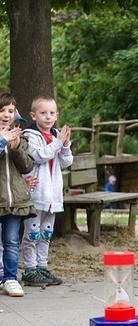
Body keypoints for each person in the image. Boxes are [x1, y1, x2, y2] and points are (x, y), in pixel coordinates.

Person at [20, 95, 73, 287]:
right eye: (43, 113)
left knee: (46, 233)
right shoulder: (30, 136)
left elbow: (66, 162)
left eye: (52, 113)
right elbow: (39, 156)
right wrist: (58, 144)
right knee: (32, 233)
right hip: (36, 195)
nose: (48, 117)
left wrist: (65, 146)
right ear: (33, 116)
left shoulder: (56, 136)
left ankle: (42, 266)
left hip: (53, 196)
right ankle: (29, 269)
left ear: (57, 115)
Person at [0, 92, 36, 296]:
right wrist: (2, 141)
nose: (6, 114)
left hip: (15, 201)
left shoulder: (19, 137)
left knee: (12, 241)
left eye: (11, 111)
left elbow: (26, 167)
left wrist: (15, 149)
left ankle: (11, 278)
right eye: (2, 110)